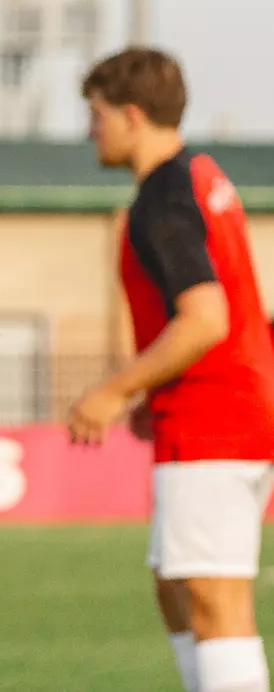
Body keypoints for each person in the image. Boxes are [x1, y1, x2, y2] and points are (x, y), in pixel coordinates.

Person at [69, 48, 274, 692]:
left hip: (215, 418)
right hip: (225, 410)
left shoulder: (162, 195)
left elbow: (205, 317)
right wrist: (149, 386)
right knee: (177, 586)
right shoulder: (201, 175)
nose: (90, 130)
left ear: (131, 115)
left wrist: (112, 389)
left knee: (215, 601)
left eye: (97, 114)